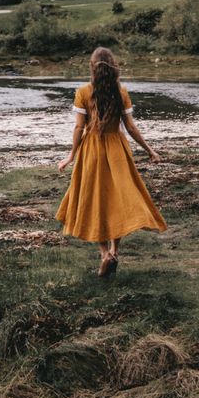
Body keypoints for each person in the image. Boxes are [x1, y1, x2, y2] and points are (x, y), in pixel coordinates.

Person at [55, 46, 166, 277]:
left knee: (94, 200)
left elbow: (78, 127)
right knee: (117, 200)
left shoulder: (83, 92)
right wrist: (150, 150)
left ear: (91, 67)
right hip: (117, 149)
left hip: (92, 151)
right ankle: (115, 250)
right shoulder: (121, 91)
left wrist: (71, 156)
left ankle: (104, 252)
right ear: (113, 65)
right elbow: (131, 127)